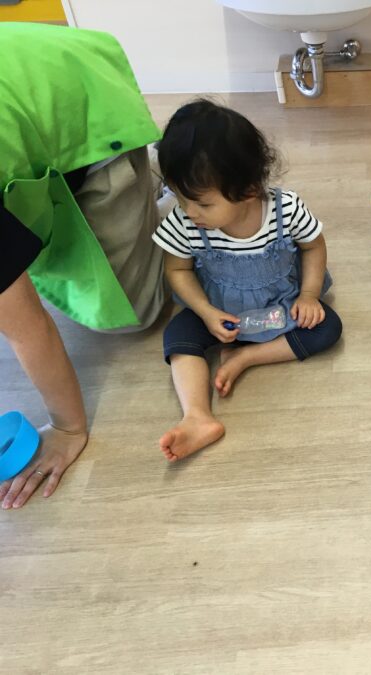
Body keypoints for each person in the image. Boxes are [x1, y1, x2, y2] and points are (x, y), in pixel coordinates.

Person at [0, 24, 166, 509]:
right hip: (27, 81)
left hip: (81, 97)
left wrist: (68, 427)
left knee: (133, 315)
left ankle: (162, 178)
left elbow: (28, 329)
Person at [152, 100, 342, 462]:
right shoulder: (184, 221)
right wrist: (206, 312)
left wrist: (309, 295)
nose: (190, 212)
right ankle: (197, 415)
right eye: (179, 197)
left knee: (327, 327)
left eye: (203, 204)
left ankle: (247, 356)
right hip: (218, 311)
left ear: (249, 189)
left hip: (279, 303)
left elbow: (313, 245)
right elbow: (177, 270)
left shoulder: (286, 209)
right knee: (177, 335)